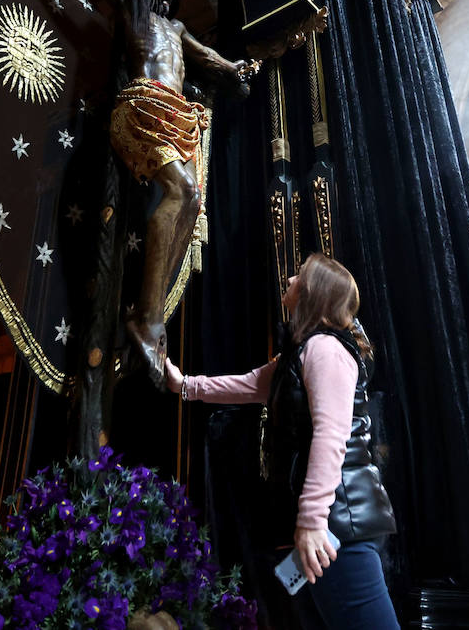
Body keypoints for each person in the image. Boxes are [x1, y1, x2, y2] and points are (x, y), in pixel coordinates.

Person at [0, 0, 258, 387]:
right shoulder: (129, 2)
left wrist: (241, 71)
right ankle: (147, 317)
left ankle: (147, 311)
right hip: (139, 110)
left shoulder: (178, 31)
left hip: (175, 118)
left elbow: (218, 67)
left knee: (190, 201)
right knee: (183, 192)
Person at [164, 254, 399, 629]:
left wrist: (312, 522)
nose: (289, 279)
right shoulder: (302, 351)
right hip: (325, 528)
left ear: (312, 292)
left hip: (337, 529)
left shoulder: (326, 350)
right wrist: (185, 386)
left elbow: (330, 437)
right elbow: (250, 384)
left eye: (299, 275)